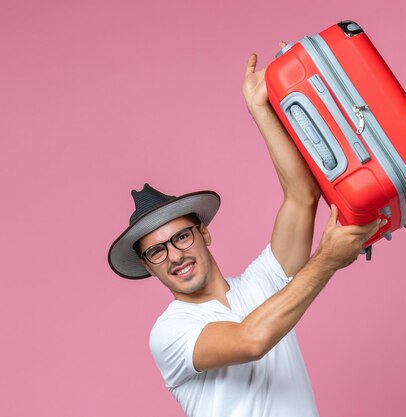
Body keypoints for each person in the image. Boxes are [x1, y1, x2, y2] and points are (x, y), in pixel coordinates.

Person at [107, 48, 385, 417]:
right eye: (157, 252)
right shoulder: (170, 332)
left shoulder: (261, 284)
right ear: (148, 265)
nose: (174, 255)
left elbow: (302, 198)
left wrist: (260, 110)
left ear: (204, 234)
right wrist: (326, 262)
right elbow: (252, 339)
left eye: (181, 237)